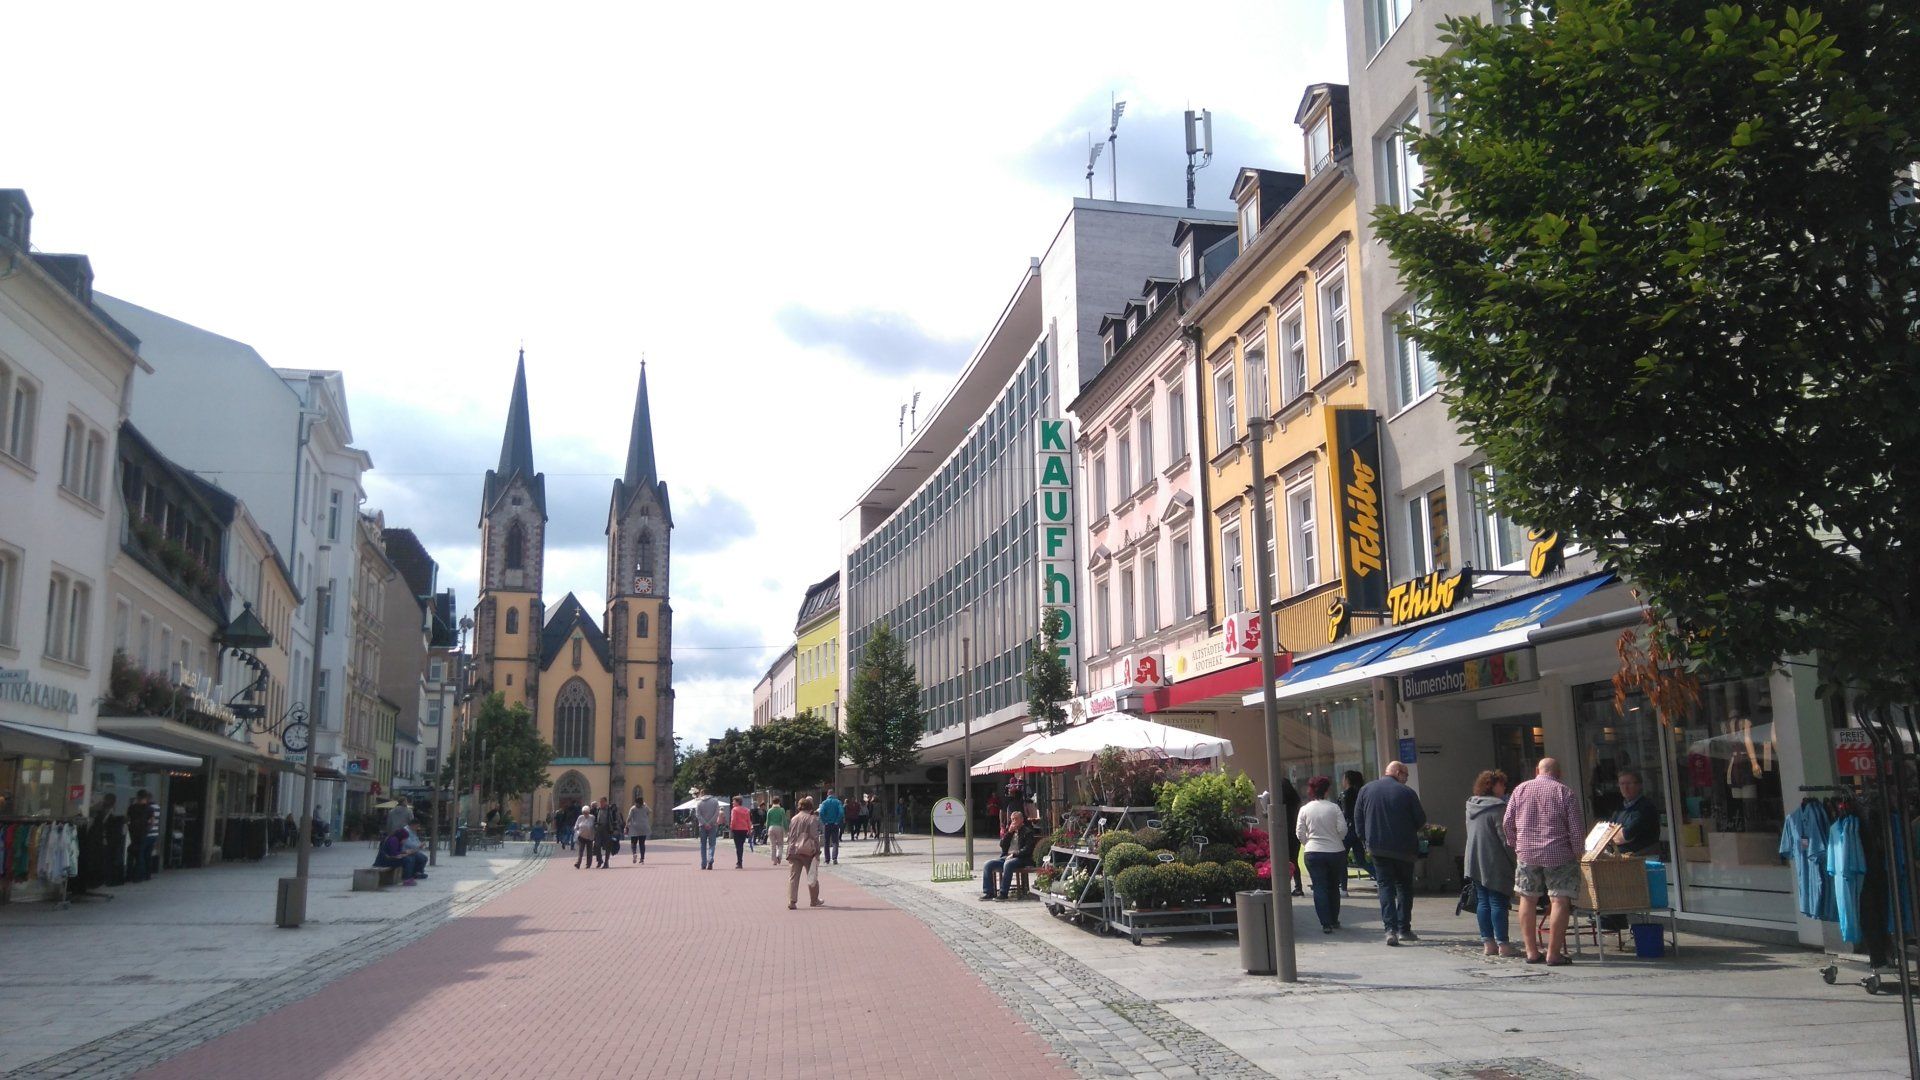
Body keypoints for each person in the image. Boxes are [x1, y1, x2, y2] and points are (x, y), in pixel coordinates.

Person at [1505, 757, 1585, 966]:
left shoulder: (1520, 790)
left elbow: (1507, 822)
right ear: (1559, 773)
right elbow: (1576, 829)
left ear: (1537, 771)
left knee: (1527, 898)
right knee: (1559, 900)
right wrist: (1578, 852)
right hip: (1559, 853)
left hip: (1527, 853)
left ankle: (1531, 952)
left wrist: (1516, 844)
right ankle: (1553, 954)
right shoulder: (1565, 792)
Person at [1353, 761, 1427, 946]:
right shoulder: (1407, 793)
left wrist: (1365, 840)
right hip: (1404, 849)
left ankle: (1390, 930)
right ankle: (1404, 929)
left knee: (1385, 887)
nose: (1406, 779)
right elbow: (1420, 820)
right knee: (1404, 887)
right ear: (1398, 772)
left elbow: (1358, 818)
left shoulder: (1366, 790)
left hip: (1378, 847)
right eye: (1406, 775)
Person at [1464, 769, 1519, 957]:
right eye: (1502, 784)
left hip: (1475, 859)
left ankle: (1488, 943)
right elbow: (1505, 838)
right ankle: (1503, 945)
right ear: (1492, 785)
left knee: (1483, 901)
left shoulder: (1471, 805)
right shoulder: (1498, 807)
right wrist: (1515, 860)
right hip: (1495, 860)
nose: (1504, 787)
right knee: (1498, 902)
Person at [1295, 776, 1349, 933]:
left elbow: (1299, 832)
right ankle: (1334, 919)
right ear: (1327, 790)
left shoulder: (1305, 809)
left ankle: (1325, 923)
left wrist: (1307, 843)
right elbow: (1343, 830)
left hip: (1313, 852)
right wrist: (1336, 839)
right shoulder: (1334, 808)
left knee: (1319, 887)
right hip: (1335, 851)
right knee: (1333, 886)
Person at [981, 811, 1038, 901]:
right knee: (988, 864)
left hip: (1021, 858)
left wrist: (1014, 854)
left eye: (1016, 819)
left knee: (1008, 864)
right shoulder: (1010, 831)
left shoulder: (1027, 832)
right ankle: (989, 892)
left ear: (1022, 820)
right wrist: (1009, 833)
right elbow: (1002, 845)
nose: (1014, 821)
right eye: (1012, 819)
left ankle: (1003, 893)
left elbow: (1027, 849)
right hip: (1006, 857)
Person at [786, 795, 825, 910]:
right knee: (812, 875)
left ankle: (792, 901)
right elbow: (814, 836)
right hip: (808, 851)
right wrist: (817, 851)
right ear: (810, 807)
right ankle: (814, 900)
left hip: (794, 850)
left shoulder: (794, 818)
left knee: (793, 877)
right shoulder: (812, 819)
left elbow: (791, 835)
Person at [1611, 771, 1662, 855]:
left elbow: (1627, 835)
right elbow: (1607, 832)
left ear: (1639, 785)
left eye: (1629, 783)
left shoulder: (1645, 807)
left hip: (1643, 857)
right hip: (1623, 857)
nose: (1625, 787)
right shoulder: (1620, 808)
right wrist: (1612, 836)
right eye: (1622, 784)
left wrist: (1613, 836)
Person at [1340, 770, 1368, 893]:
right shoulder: (1362, 793)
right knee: (1361, 860)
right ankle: (1380, 878)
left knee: (1341, 859)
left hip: (1348, 830)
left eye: (1343, 778)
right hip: (1359, 829)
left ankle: (1343, 887)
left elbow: (1345, 813)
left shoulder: (1345, 794)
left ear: (1347, 780)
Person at [127, 792, 157, 883]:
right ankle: (140, 875)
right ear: (146, 798)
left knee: (133, 853)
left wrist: (130, 827)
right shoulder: (150, 808)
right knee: (143, 855)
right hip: (144, 834)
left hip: (133, 833)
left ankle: (130, 875)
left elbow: (127, 819)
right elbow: (152, 822)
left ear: (137, 797)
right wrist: (147, 829)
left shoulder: (131, 807)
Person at [1282, 778, 1304, 898]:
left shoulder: (1280, 801)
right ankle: (1298, 887)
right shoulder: (1295, 800)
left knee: (1283, 861)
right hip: (1294, 833)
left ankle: (1286, 886)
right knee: (1294, 861)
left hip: (1283, 832)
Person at [693, 791, 722, 869]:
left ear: (702, 793)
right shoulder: (715, 801)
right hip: (713, 825)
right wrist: (710, 823)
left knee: (703, 845)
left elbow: (698, 814)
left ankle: (703, 863)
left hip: (702, 826)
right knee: (712, 844)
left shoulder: (699, 802)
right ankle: (710, 859)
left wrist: (705, 823)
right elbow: (717, 813)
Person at [593, 797, 622, 869]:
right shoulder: (598, 810)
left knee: (608, 846)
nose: (601, 803)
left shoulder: (610, 809)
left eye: (602, 802)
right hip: (599, 829)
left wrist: (615, 829)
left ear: (606, 802)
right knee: (597, 845)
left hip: (608, 829)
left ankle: (606, 862)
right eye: (600, 802)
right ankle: (600, 860)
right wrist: (595, 825)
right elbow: (596, 818)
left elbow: (616, 819)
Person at [818, 788, 845, 864]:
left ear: (827, 794)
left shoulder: (824, 803)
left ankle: (827, 859)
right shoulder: (838, 802)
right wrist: (837, 821)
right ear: (834, 794)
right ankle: (834, 858)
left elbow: (821, 812)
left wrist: (825, 821)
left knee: (826, 842)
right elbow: (841, 812)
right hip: (835, 824)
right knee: (835, 841)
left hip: (827, 824)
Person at [730, 796, 753, 869]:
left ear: (737, 802)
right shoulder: (746, 810)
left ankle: (739, 862)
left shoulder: (734, 810)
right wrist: (749, 830)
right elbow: (748, 821)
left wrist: (731, 827)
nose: (732, 803)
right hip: (744, 829)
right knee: (741, 845)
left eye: (734, 801)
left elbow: (733, 820)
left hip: (736, 829)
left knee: (738, 846)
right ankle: (740, 861)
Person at [573, 804, 597, 870]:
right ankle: (578, 863)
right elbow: (576, 825)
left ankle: (588, 864)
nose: (585, 814)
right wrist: (576, 830)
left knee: (589, 852)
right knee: (581, 851)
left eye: (586, 813)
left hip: (590, 837)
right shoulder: (580, 817)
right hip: (582, 836)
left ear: (589, 812)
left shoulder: (592, 817)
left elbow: (595, 825)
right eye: (584, 812)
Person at [766, 796, 789, 864]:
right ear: (779, 802)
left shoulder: (770, 810)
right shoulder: (781, 810)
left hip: (771, 828)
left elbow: (767, 821)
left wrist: (767, 829)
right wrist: (786, 829)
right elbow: (784, 820)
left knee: (772, 845)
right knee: (780, 844)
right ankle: (779, 855)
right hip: (779, 827)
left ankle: (774, 860)